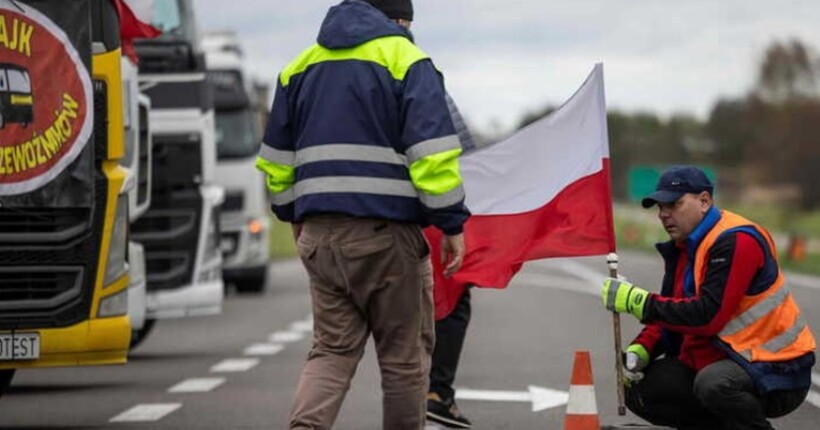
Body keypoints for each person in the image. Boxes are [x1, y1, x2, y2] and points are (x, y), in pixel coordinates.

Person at [255, 0, 470, 428]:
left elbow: (278, 161)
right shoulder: (406, 60)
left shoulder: (298, 66)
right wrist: (451, 222)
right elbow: (432, 158)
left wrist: (292, 213)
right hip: (387, 239)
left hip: (319, 235)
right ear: (398, 20)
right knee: (404, 359)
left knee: (331, 352)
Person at [600, 165, 816, 430]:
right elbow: (678, 308)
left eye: (674, 204)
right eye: (660, 207)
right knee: (638, 389)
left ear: (704, 201)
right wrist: (643, 347)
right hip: (735, 358)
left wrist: (639, 302)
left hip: (778, 368)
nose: (664, 214)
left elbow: (707, 316)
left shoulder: (736, 240)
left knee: (714, 384)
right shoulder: (688, 245)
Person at [426, 95, 475, 429]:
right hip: (426, 211)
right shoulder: (420, 76)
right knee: (453, 295)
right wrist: (453, 221)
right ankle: (436, 394)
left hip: (348, 215)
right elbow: (464, 152)